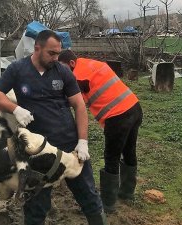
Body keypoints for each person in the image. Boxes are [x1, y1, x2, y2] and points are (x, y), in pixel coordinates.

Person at [0, 30, 107, 225]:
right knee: (36, 207)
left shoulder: (63, 72)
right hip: (38, 151)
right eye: (51, 53)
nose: (56, 58)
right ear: (37, 48)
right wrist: (16, 109)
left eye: (58, 53)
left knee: (89, 196)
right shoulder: (18, 69)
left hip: (69, 146)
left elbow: (79, 105)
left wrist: (83, 141)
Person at [58, 50, 143, 213]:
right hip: (134, 107)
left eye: (62, 68)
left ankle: (107, 204)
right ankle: (127, 192)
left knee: (111, 157)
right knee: (129, 151)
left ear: (71, 64)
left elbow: (73, 100)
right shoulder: (90, 64)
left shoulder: (78, 76)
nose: (62, 73)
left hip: (118, 116)